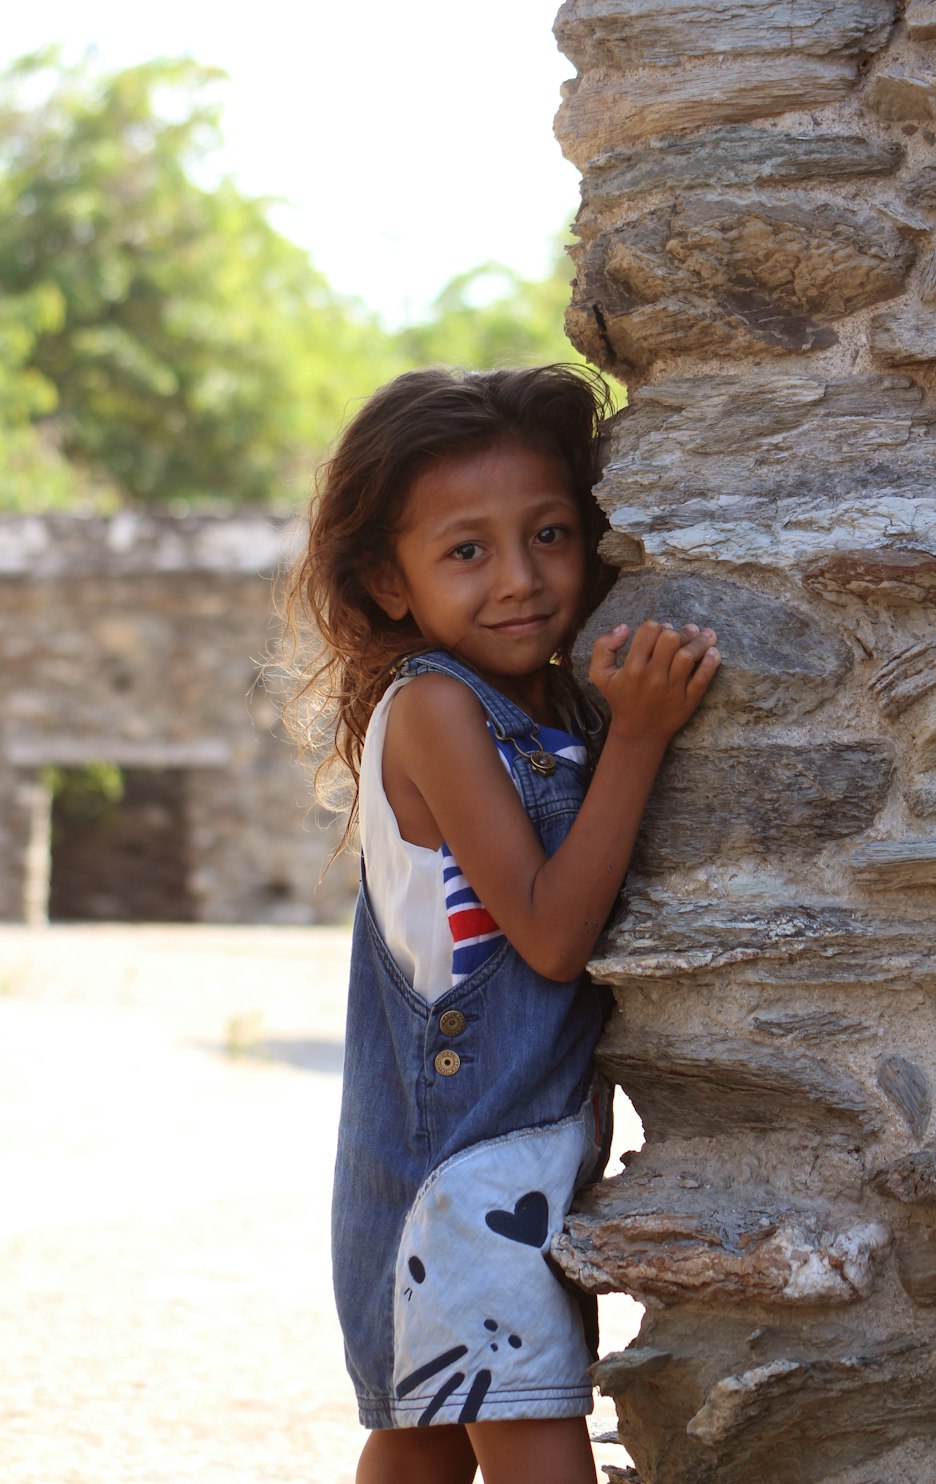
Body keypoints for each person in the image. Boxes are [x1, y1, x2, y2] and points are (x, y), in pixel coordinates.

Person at [283, 365, 719, 1484]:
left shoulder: (547, 709)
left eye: (551, 533)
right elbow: (549, 935)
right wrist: (639, 738)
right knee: (527, 1453)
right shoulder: (433, 709)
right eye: (465, 550)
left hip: (501, 1167)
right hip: (465, 1187)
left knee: (420, 1449)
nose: (521, 579)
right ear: (389, 580)